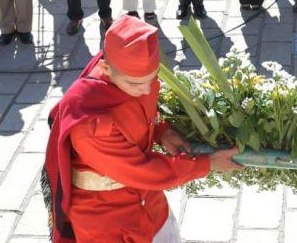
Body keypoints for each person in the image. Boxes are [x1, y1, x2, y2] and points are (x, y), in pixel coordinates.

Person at [43, 15, 241, 242]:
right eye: (136, 84)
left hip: (150, 204)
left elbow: (141, 113)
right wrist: (208, 163)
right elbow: (142, 170)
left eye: (153, 78)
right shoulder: (90, 123)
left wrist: (161, 131)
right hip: (108, 221)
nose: (147, 90)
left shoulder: (129, 77)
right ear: (105, 68)